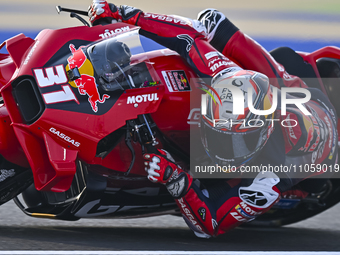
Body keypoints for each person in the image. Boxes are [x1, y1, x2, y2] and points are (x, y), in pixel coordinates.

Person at [88, 1, 338, 238]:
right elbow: (189, 36)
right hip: (289, 88)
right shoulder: (225, 74)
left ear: (262, 135)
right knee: (212, 20)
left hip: (318, 154)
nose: (223, 147)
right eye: (219, 133)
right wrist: (124, 14)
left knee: (222, 183)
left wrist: (177, 182)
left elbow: (210, 226)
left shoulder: (267, 180)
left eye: (236, 141)